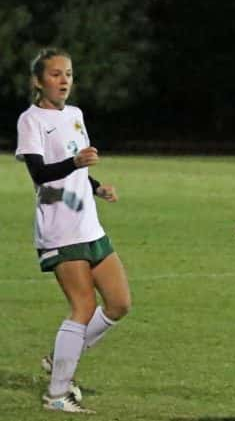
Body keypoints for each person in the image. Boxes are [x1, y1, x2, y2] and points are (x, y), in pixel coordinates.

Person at [15, 48, 131, 414]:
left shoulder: (76, 114)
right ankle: (57, 395)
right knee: (83, 307)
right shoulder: (31, 120)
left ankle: (61, 357)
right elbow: (40, 173)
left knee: (119, 304)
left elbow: (77, 168)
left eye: (68, 73)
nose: (64, 80)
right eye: (55, 74)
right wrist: (75, 161)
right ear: (38, 81)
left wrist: (96, 186)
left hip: (88, 224)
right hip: (60, 228)